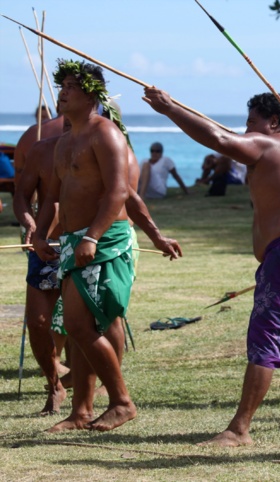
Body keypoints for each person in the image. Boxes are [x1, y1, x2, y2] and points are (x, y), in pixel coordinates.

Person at [143, 86, 280, 447]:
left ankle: (239, 429)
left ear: (273, 122)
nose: (246, 132)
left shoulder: (267, 145)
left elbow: (217, 138)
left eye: (251, 123)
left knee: (267, 334)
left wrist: (170, 108)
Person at [32, 59, 138, 433]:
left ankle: (122, 402)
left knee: (82, 324)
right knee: (76, 328)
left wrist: (92, 236)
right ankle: (81, 411)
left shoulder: (105, 133)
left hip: (104, 240)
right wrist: (40, 234)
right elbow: (52, 197)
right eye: (61, 87)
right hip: (72, 240)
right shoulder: (65, 142)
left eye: (71, 87)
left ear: (91, 95)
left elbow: (119, 191)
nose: (62, 93)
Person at [13, 119, 70, 415]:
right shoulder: (39, 148)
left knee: (84, 322)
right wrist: (31, 224)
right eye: (61, 97)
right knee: (37, 321)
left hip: (86, 243)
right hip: (45, 243)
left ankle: (95, 391)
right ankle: (54, 385)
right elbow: (21, 195)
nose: (64, 101)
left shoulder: (103, 141)